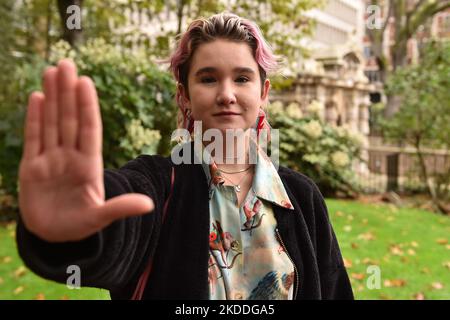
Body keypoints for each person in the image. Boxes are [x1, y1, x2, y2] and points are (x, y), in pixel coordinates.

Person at [16, 12, 353, 300]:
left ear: (263, 93)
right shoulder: (158, 184)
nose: (226, 94)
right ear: (185, 96)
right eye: (208, 79)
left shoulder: (303, 197)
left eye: (242, 78)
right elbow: (119, 230)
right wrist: (71, 230)